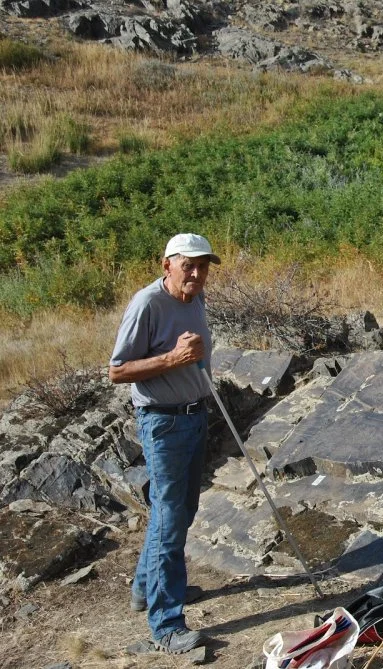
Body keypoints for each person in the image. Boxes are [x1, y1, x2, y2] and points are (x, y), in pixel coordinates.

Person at [109, 233, 220, 654]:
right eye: (188, 265)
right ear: (166, 265)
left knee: (181, 510)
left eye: (203, 265)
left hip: (195, 414)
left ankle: (146, 588)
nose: (196, 273)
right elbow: (117, 371)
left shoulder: (196, 299)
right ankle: (166, 625)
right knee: (169, 519)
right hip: (163, 423)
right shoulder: (147, 304)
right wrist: (172, 359)